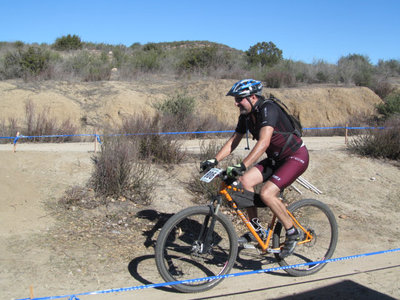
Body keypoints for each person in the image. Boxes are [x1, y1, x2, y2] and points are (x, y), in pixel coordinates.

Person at [200, 79, 309, 258]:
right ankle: (257, 230)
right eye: (235, 99)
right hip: (276, 159)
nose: (236, 103)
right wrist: (214, 159)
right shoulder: (246, 115)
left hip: (295, 157)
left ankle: (292, 232)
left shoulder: (268, 108)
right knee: (244, 182)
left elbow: (264, 141)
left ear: (252, 97)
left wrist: (242, 165)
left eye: (239, 99)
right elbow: (235, 139)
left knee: (266, 193)